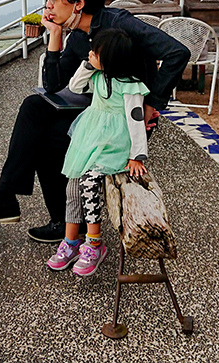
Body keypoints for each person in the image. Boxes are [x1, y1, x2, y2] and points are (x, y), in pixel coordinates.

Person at [0, 0, 189, 243]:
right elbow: (54, 87)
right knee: (34, 107)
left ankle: (58, 219)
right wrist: (55, 37)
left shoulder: (119, 24)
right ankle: (8, 198)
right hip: (96, 114)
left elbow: (177, 53)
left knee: (48, 139)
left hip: (125, 121)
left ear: (78, 3)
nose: (48, 4)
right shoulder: (78, 38)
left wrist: (151, 105)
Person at [46, 29, 149, 276]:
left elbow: (136, 121)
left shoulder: (130, 86)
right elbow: (75, 86)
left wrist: (138, 155)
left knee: (90, 181)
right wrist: (88, 65)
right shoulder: (98, 76)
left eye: (96, 53)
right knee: (72, 185)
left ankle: (94, 243)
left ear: (111, 58)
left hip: (114, 143)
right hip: (90, 136)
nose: (90, 55)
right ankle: (70, 242)